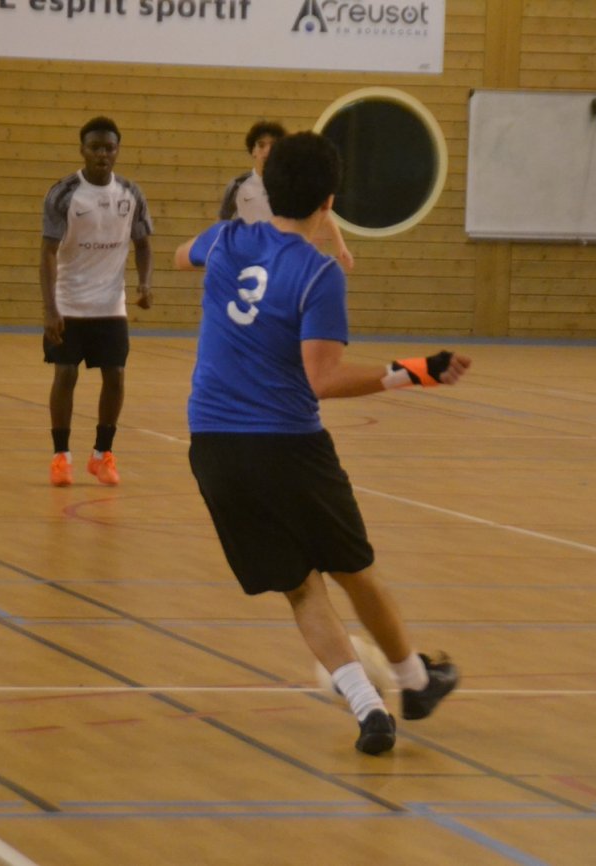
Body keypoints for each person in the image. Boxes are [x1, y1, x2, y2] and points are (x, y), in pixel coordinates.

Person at [175, 132, 468, 755]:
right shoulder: (318, 274)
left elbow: (182, 256)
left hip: (214, 448)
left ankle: (370, 709)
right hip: (287, 447)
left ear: (265, 187)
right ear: (329, 201)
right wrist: (414, 372)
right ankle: (415, 682)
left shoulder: (225, 239)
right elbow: (323, 380)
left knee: (301, 586)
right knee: (352, 569)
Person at [40, 116, 154, 487]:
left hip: (110, 304)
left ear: (117, 151)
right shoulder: (64, 194)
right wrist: (50, 309)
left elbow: (143, 244)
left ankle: (102, 454)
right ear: (83, 150)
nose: (102, 154)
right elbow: (48, 252)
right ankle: (61, 456)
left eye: (109, 148)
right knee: (66, 374)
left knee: (115, 376)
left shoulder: (131, 194)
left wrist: (144, 283)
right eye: (95, 148)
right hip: (70, 302)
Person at [220, 120, 355, 271]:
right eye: (261, 145)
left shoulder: (290, 183)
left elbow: (323, 210)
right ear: (253, 151)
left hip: (281, 259)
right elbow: (223, 225)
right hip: (247, 261)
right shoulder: (237, 186)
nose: (267, 150)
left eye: (272, 145)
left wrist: (340, 246)